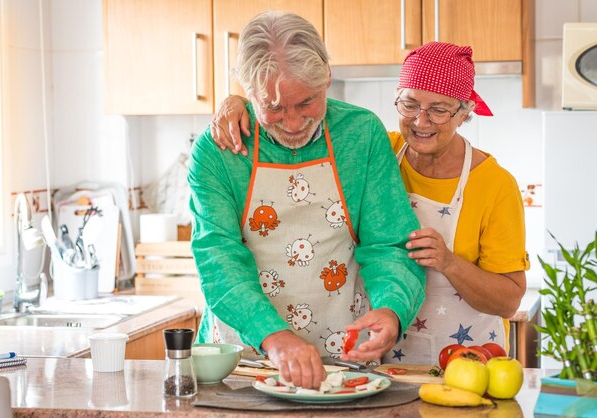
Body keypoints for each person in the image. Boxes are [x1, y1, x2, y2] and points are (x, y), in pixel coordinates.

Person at [210, 41, 530, 365]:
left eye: (439, 109)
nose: (421, 121)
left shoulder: (495, 185)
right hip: (390, 357)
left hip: (468, 357)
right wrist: (238, 102)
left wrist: (449, 262)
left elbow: (509, 299)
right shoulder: (380, 149)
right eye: (410, 104)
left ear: (464, 112)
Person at [188, 11, 425, 389]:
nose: (294, 123)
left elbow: (389, 244)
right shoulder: (218, 149)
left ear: (327, 77)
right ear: (246, 92)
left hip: (343, 361)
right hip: (243, 362)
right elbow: (218, 257)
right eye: (275, 107)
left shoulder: (361, 134)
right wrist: (274, 337)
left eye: (307, 102)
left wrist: (393, 309)